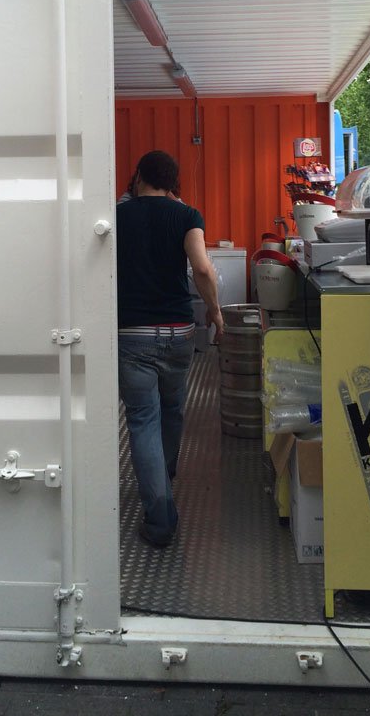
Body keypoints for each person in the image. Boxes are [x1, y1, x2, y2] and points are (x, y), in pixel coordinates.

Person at [116, 150, 223, 548]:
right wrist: (215, 312)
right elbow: (202, 268)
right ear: (173, 183)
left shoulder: (117, 216)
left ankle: (160, 518)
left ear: (139, 176)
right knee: (173, 408)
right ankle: (166, 470)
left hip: (132, 335)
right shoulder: (186, 216)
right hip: (179, 332)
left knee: (143, 419)